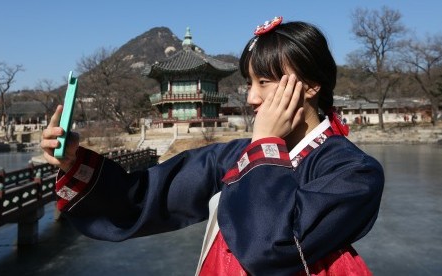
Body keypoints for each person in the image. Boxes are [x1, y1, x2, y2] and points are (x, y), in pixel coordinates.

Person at [41, 16, 384, 276]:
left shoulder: (353, 172)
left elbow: (272, 245)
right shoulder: (233, 157)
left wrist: (266, 144)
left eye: (263, 82)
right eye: (249, 82)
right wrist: (75, 163)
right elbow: (145, 196)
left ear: (309, 86)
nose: (251, 97)